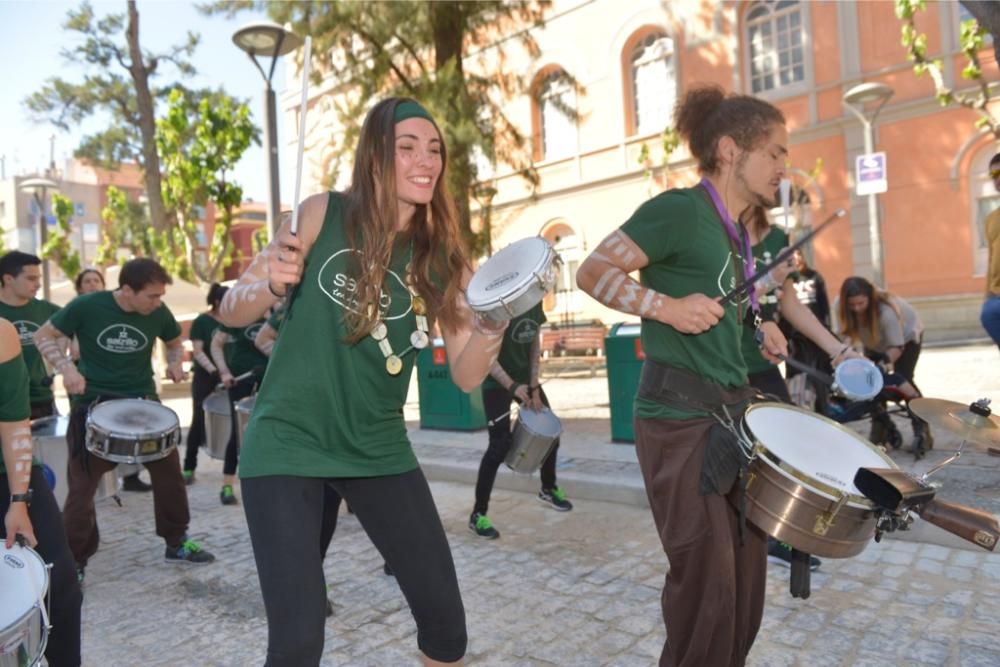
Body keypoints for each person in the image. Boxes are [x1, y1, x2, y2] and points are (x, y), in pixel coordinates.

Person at [219, 97, 506, 666]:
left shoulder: (442, 256)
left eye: (434, 150)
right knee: (299, 641)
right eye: (407, 148)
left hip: (377, 446)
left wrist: (494, 323)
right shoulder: (322, 212)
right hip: (287, 443)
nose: (425, 161)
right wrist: (271, 283)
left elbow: (468, 374)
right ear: (376, 157)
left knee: (447, 632)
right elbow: (231, 309)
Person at [576, 85, 789, 667]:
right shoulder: (678, 210)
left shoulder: (738, 234)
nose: (782, 166)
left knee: (746, 584)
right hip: (678, 420)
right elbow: (591, 271)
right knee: (707, 586)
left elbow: (720, 317)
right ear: (729, 150)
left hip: (731, 418)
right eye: (773, 152)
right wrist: (665, 307)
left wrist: (758, 331)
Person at [33, 258, 215, 580]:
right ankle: (74, 561)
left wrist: (174, 363)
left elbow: (174, 343)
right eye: (152, 296)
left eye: (161, 296)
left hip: (143, 406)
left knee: (170, 478)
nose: (158, 303)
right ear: (127, 290)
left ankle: (176, 542)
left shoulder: (157, 313)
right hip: (94, 405)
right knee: (82, 488)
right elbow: (43, 336)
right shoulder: (87, 306)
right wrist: (67, 369)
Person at [739, 209, 864, 571]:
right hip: (721, 364)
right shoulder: (719, 229)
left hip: (762, 364)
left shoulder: (778, 238)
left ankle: (776, 535)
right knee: (736, 455)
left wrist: (837, 350)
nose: (779, 170)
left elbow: (789, 302)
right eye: (772, 157)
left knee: (786, 449)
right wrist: (764, 283)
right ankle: (741, 536)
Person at [0, 317, 83, 666]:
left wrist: (19, 500)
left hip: (8, 478)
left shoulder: (2, 332)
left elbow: (14, 420)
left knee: (59, 585)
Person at [469, 301, 572, 539]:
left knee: (549, 433)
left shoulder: (532, 300)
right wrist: (512, 386)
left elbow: (534, 343)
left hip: (526, 380)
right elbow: (486, 356)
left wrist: (534, 384)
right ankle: (478, 514)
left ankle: (548, 488)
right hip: (497, 383)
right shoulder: (493, 304)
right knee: (498, 446)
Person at [70, 268, 149, 493]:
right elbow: (64, 340)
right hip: (84, 379)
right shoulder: (78, 308)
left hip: (124, 382)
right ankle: (95, 479)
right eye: (87, 281)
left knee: (128, 428)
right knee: (92, 431)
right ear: (79, 287)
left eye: (97, 280)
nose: (93, 284)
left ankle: (130, 475)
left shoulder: (111, 308)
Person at [837, 276, 933, 455]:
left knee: (903, 378)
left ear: (869, 299)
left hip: (905, 338)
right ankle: (881, 426)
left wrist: (881, 367)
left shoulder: (886, 312)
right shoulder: (841, 307)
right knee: (870, 383)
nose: (856, 308)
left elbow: (897, 347)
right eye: (852, 305)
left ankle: (922, 428)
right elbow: (843, 338)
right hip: (874, 340)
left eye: (861, 303)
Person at [209, 312, 268, 506]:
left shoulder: (278, 311)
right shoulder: (240, 310)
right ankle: (227, 485)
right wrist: (224, 371)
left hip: (268, 379)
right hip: (240, 378)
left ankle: (268, 486)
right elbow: (216, 344)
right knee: (237, 433)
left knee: (269, 432)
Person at [0, 251, 62, 419]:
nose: (38, 284)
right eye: (31, 279)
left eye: (39, 278)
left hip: (41, 401)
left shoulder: (46, 309)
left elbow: (81, 323)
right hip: (5, 404)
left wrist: (73, 343)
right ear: (8, 279)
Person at [181, 283, 228, 485]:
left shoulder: (234, 320)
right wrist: (213, 370)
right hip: (206, 376)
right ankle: (189, 467)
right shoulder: (202, 321)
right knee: (199, 419)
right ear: (217, 302)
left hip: (229, 374)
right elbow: (198, 350)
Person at [782, 249, 834, 411]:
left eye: (798, 255)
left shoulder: (814, 276)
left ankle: (823, 406)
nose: (795, 259)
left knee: (819, 372)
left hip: (815, 333)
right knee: (797, 371)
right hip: (794, 337)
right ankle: (800, 405)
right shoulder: (785, 279)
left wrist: (827, 330)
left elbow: (823, 305)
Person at [981, 153, 1000, 351]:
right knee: (989, 313)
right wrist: (987, 295)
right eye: (993, 174)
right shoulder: (991, 219)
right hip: (996, 296)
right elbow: (992, 258)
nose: (997, 179)